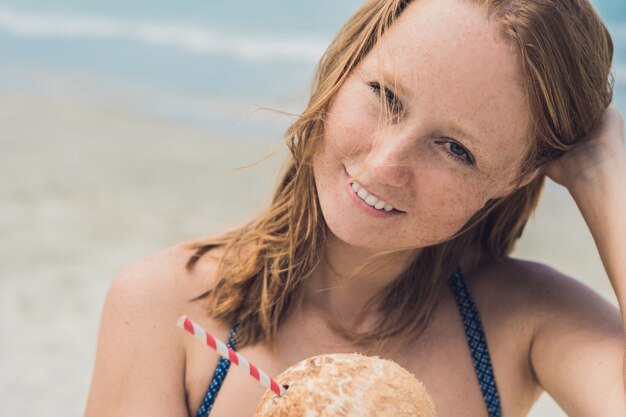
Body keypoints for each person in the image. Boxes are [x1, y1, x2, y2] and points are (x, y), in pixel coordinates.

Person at [84, 0, 626, 416]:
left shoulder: (524, 323)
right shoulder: (167, 308)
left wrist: (607, 177)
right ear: (343, 69)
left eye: (456, 149)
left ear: (514, 179)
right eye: (385, 95)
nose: (386, 164)